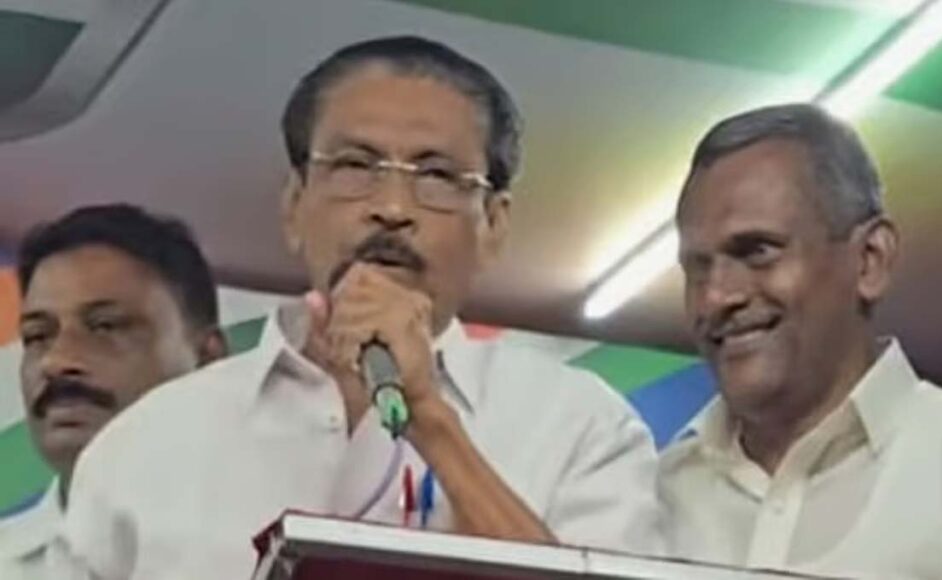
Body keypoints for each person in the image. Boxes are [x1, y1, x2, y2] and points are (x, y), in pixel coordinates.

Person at [58, 36, 660, 579]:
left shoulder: (579, 425)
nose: (392, 208)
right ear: (295, 205)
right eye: (354, 166)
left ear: (494, 226)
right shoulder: (147, 442)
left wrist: (430, 419)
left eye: (437, 175)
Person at [659, 103, 942, 579]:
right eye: (697, 267)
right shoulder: (657, 493)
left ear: (870, 259)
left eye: (758, 251)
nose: (716, 296)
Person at [0, 204, 225, 580]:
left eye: (105, 326)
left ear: (208, 360)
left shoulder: (284, 545)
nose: (57, 361)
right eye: (37, 336)